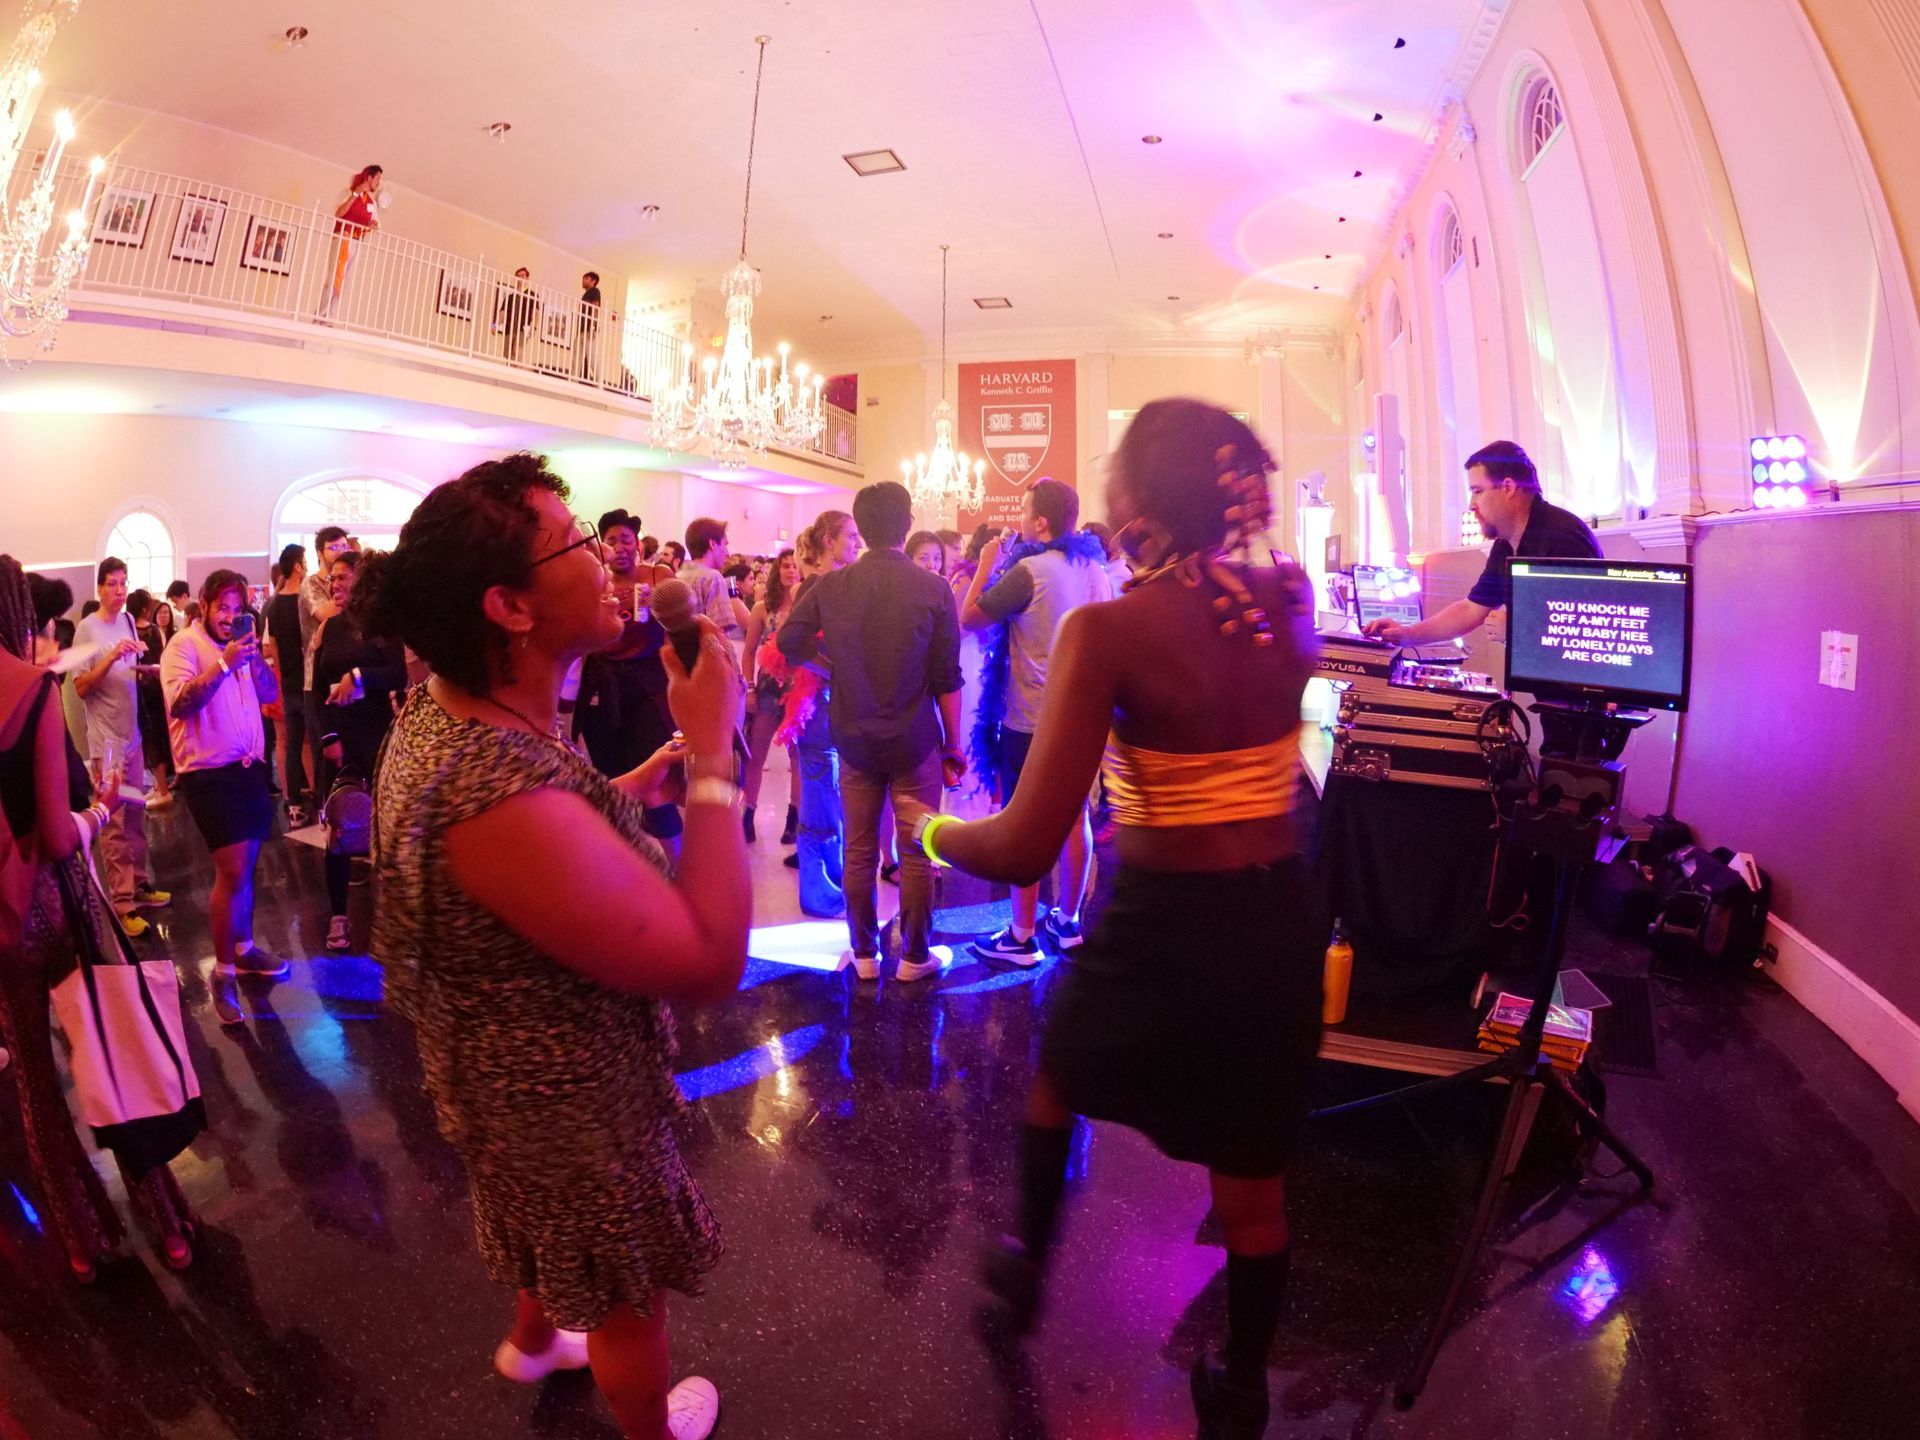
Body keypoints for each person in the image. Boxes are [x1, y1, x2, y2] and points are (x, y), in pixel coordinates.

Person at [917, 400, 1323, 1438]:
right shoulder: (1287, 593)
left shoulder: (1112, 629)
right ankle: (1239, 1389)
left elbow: (1017, 847)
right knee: (1254, 1183)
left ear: (1137, 500)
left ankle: (1023, 1273)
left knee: (1061, 1078)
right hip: (1275, 923)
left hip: (1157, 922)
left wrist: (926, 833)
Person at [357, 452, 745, 1440]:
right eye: (577, 542)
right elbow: (708, 962)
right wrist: (710, 761)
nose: (614, 556)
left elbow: (553, 814)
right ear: (511, 609)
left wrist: (631, 787)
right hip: (560, 1095)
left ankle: (533, 1342)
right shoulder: (493, 789)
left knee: (545, 1220)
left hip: (498, 1074)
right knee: (621, 1283)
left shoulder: (463, 715)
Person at [1, 558, 197, 1280]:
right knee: (111, 1053)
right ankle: (167, 1221)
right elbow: (56, 837)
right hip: (55, 904)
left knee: (32, 1083)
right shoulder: (30, 691)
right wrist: (102, 811)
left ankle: (80, 1240)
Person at [780, 484, 965, 982]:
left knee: (859, 848)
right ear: (905, 525)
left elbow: (788, 641)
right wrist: (955, 743)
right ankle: (914, 957)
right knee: (918, 851)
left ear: (862, 527)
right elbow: (948, 677)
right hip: (915, 737)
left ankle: (864, 956)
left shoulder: (832, 586)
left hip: (854, 733)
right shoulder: (932, 588)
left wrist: (830, 666)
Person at [961, 478, 1112, 964]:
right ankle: (1068, 923)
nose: (1020, 518)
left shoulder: (1028, 569)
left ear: (1041, 522)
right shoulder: (1092, 566)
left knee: (1022, 820)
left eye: (1025, 510)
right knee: (1074, 818)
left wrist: (985, 563)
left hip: (1030, 720)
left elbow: (970, 617)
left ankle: (1021, 935)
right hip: (1082, 714)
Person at [160, 569, 290, 1011]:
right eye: (223, 608)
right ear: (204, 605)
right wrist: (224, 664)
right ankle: (223, 973)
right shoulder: (184, 646)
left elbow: (272, 693)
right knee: (232, 873)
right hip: (209, 774)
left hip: (248, 769)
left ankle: (245, 949)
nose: (230, 616)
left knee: (246, 869)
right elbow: (180, 703)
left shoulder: (243, 648)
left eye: (238, 609)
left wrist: (252, 661)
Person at [1363, 440, 1599, 647]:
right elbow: (1471, 609)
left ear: (1508, 487)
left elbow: (1586, 630)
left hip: (1583, 697)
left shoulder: (1563, 536)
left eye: (1477, 491)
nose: (1471, 504)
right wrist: (1406, 634)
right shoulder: (1505, 544)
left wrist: (1519, 631)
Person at [311, 550, 407, 952]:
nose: (335, 585)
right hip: (340, 739)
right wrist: (328, 738)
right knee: (338, 829)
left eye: (344, 577)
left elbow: (398, 674)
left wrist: (357, 677)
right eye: (332, 579)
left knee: (386, 828)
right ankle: (338, 914)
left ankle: (391, 917)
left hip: (378, 737)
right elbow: (316, 690)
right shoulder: (329, 627)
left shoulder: (382, 626)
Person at [572, 510, 683, 857]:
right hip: (603, 685)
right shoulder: (595, 581)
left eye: (626, 539)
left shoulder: (657, 574)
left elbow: (684, 621)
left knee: (659, 777)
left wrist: (661, 608)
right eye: (611, 540)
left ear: (637, 543)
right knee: (610, 776)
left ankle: (678, 865)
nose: (619, 547)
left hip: (647, 684)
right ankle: (622, 860)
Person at [72, 557, 169, 938]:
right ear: (99, 589)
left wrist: (143, 669)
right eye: (112, 584)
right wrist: (111, 655)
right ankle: (122, 901)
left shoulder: (128, 621)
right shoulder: (87, 630)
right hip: (106, 742)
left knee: (136, 815)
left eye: (124, 583)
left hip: (132, 737)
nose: (119, 590)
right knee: (112, 823)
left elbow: (124, 675)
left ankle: (139, 885)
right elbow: (81, 687)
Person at [779, 512, 858, 916]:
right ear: (830, 541)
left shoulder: (845, 585)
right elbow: (788, 643)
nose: (859, 543)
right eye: (852, 536)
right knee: (820, 795)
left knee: (832, 794)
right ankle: (817, 888)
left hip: (838, 705)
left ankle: (832, 881)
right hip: (818, 705)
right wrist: (831, 671)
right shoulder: (816, 586)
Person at [740, 548, 802, 845]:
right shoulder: (763, 608)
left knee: (798, 757)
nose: (790, 571)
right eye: (785, 566)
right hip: (766, 689)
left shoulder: (807, 607)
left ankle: (794, 818)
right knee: (756, 753)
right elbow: (749, 652)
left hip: (799, 690)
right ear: (777, 571)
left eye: (794, 566)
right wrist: (749, 688)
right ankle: (747, 814)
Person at [300, 526, 359, 819]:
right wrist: (353, 590)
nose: (339, 551)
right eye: (333, 547)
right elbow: (327, 612)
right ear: (320, 552)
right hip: (317, 677)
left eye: (343, 546)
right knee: (327, 751)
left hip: (349, 673)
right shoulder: (311, 584)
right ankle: (329, 818)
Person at [265, 545, 311, 823]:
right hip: (307, 682)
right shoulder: (305, 601)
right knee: (313, 742)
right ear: (297, 566)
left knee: (292, 743)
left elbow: (274, 645)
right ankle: (323, 804)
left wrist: (283, 677)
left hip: (290, 683)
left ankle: (294, 805)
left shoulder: (274, 605)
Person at [316, 164, 382, 322]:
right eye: (378, 178)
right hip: (343, 238)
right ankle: (321, 315)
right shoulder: (348, 192)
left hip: (357, 241)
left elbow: (376, 223)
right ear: (369, 177)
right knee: (334, 278)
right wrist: (355, 194)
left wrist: (373, 226)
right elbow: (339, 214)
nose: (379, 183)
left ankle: (330, 316)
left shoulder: (372, 203)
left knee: (345, 282)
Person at [128, 590, 175, 807]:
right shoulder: (155, 631)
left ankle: (162, 790)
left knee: (150, 739)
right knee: (158, 735)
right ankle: (159, 786)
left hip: (140, 690)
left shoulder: (129, 632)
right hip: (157, 688)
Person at [678, 519, 752, 640]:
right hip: (705, 654)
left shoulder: (678, 575)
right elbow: (719, 632)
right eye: (725, 544)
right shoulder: (713, 578)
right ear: (712, 544)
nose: (727, 553)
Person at [495, 267, 539, 366]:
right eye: (518, 276)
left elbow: (536, 313)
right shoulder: (510, 297)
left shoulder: (532, 295)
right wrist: (494, 325)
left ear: (527, 278)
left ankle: (515, 373)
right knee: (508, 354)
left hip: (522, 329)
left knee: (517, 353)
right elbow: (502, 313)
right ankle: (509, 372)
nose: (520, 278)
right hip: (509, 329)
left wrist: (533, 327)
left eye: (522, 275)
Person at [577, 271, 603, 383]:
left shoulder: (595, 291)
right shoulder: (585, 294)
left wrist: (592, 327)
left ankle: (599, 383)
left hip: (589, 329)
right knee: (576, 356)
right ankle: (573, 380)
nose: (583, 280)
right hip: (581, 330)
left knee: (591, 357)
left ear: (593, 281)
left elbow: (596, 308)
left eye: (586, 278)